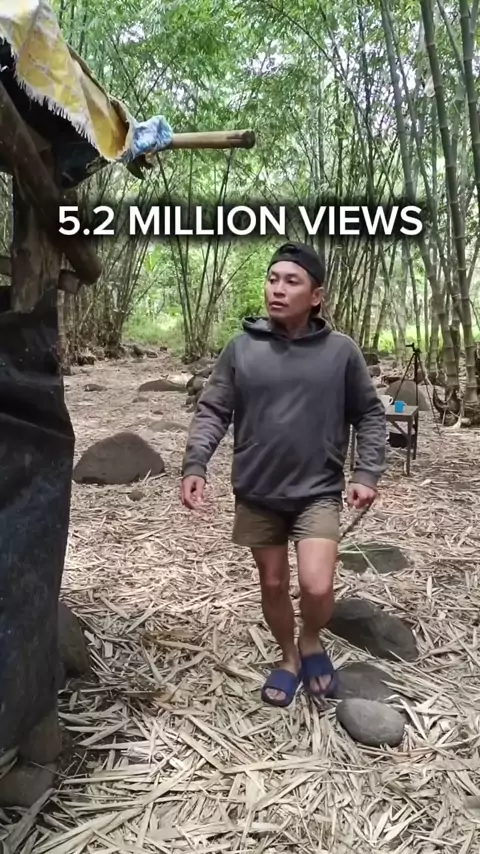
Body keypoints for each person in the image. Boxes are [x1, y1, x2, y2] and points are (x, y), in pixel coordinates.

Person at [181, 242, 386, 707]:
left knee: (316, 585)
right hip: (258, 490)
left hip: (318, 490)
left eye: (291, 281)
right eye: (273, 279)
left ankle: (311, 638)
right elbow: (213, 410)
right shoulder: (242, 349)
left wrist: (366, 472)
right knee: (272, 583)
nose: (278, 289)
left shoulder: (341, 352)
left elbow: (370, 414)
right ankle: (290, 656)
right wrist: (196, 463)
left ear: (316, 296)